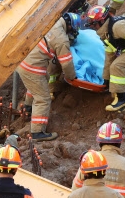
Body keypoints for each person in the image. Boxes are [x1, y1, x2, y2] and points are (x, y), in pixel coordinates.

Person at [17, 12, 82, 141]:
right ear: (70, 26)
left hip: (25, 62)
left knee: (42, 80)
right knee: (43, 98)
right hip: (32, 68)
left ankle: (28, 107)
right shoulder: (62, 40)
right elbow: (67, 63)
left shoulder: (53, 21)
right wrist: (72, 77)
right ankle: (37, 132)